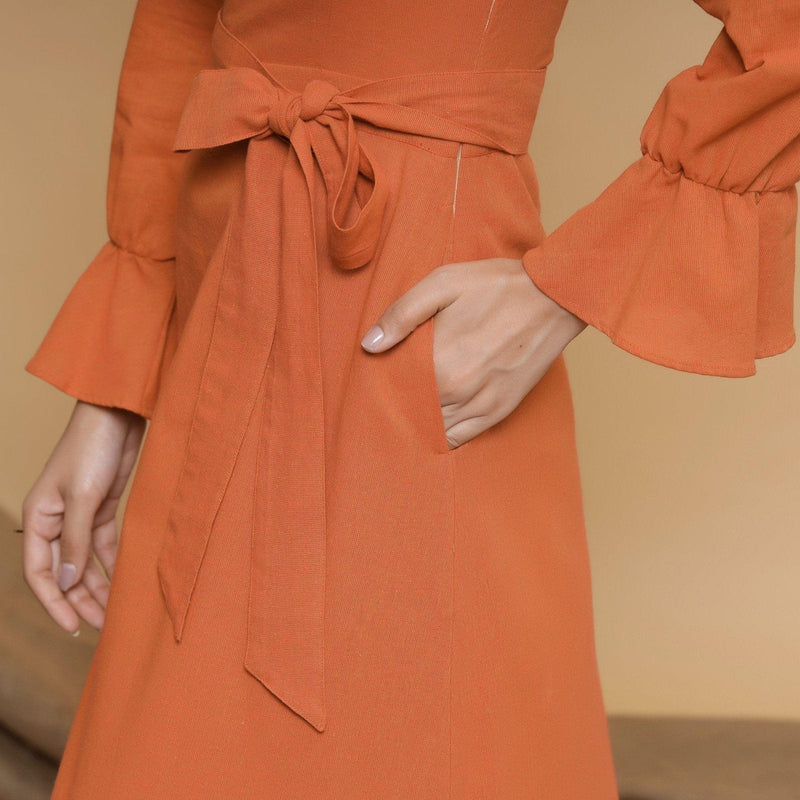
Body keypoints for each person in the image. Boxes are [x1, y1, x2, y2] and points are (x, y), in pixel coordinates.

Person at [20, 0, 800, 797]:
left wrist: (572, 285)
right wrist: (116, 389)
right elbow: (178, 26)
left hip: (414, 356)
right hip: (218, 334)